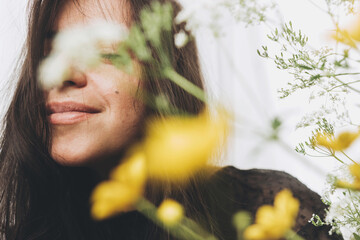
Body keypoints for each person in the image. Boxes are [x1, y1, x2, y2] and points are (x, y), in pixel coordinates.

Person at [0, 0, 343, 239]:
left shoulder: (272, 216)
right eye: (50, 55)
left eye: (103, 51)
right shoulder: (23, 227)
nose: (63, 75)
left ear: (164, 75)